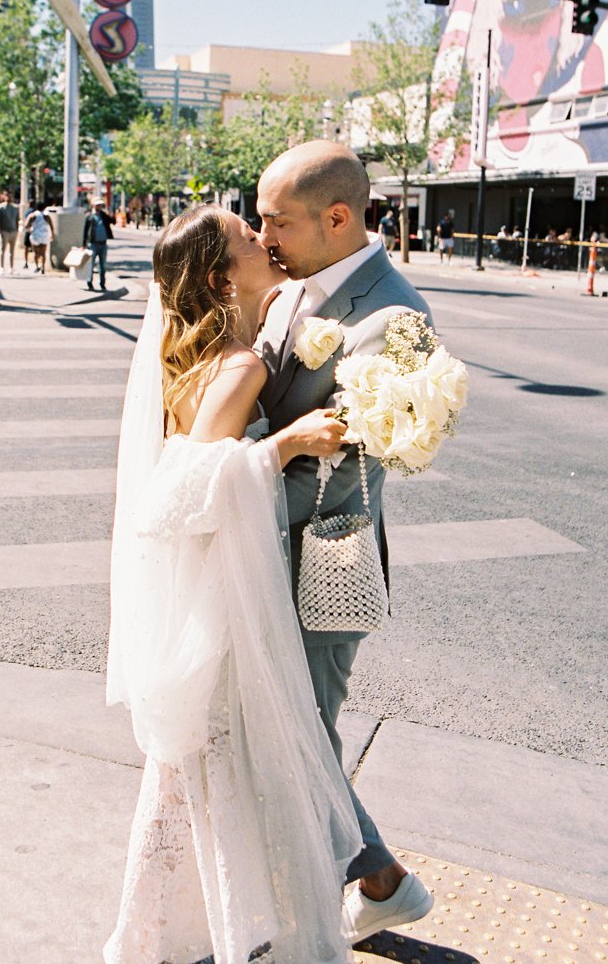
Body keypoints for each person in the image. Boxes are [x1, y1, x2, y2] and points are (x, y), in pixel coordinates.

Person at [106, 204, 361, 963]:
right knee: (221, 768)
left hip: (201, 599)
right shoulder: (241, 366)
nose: (264, 236)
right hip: (220, 605)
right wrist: (282, 445)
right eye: (250, 237)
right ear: (222, 275)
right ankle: (221, 931)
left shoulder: (214, 353)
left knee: (192, 775)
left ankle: (164, 930)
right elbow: (178, 495)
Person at [255, 141, 434, 946]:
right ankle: (381, 881)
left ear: (336, 217)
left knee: (298, 740)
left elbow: (348, 474)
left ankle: (325, 910)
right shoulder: (290, 286)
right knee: (292, 735)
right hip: (260, 555)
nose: (263, 239)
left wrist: (229, 486)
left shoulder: (397, 320)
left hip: (320, 565)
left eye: (276, 221)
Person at [82, 197, 114, 291]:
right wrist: (83, 244)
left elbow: (113, 221)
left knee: (102, 265)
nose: (99, 206)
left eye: (100, 205)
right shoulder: (89, 216)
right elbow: (85, 231)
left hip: (103, 244)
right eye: (97, 205)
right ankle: (89, 282)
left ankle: (102, 283)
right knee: (90, 265)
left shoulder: (103, 215)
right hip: (93, 244)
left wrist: (108, 214)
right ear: (93, 205)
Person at [0, 190, 19, 275]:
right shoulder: (0, 207)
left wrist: (17, 230)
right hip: (5, 231)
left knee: (12, 251)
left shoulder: (15, 207)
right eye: (8, 196)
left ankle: (11, 267)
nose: (9, 198)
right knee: (3, 250)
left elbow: (17, 220)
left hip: (13, 231)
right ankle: (2, 267)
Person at [26, 201, 53, 274]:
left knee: (35, 252)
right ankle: (43, 266)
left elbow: (26, 225)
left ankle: (37, 266)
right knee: (43, 253)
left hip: (35, 236)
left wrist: (31, 227)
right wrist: (52, 235)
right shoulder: (46, 216)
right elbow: (51, 226)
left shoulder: (32, 215)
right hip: (44, 235)